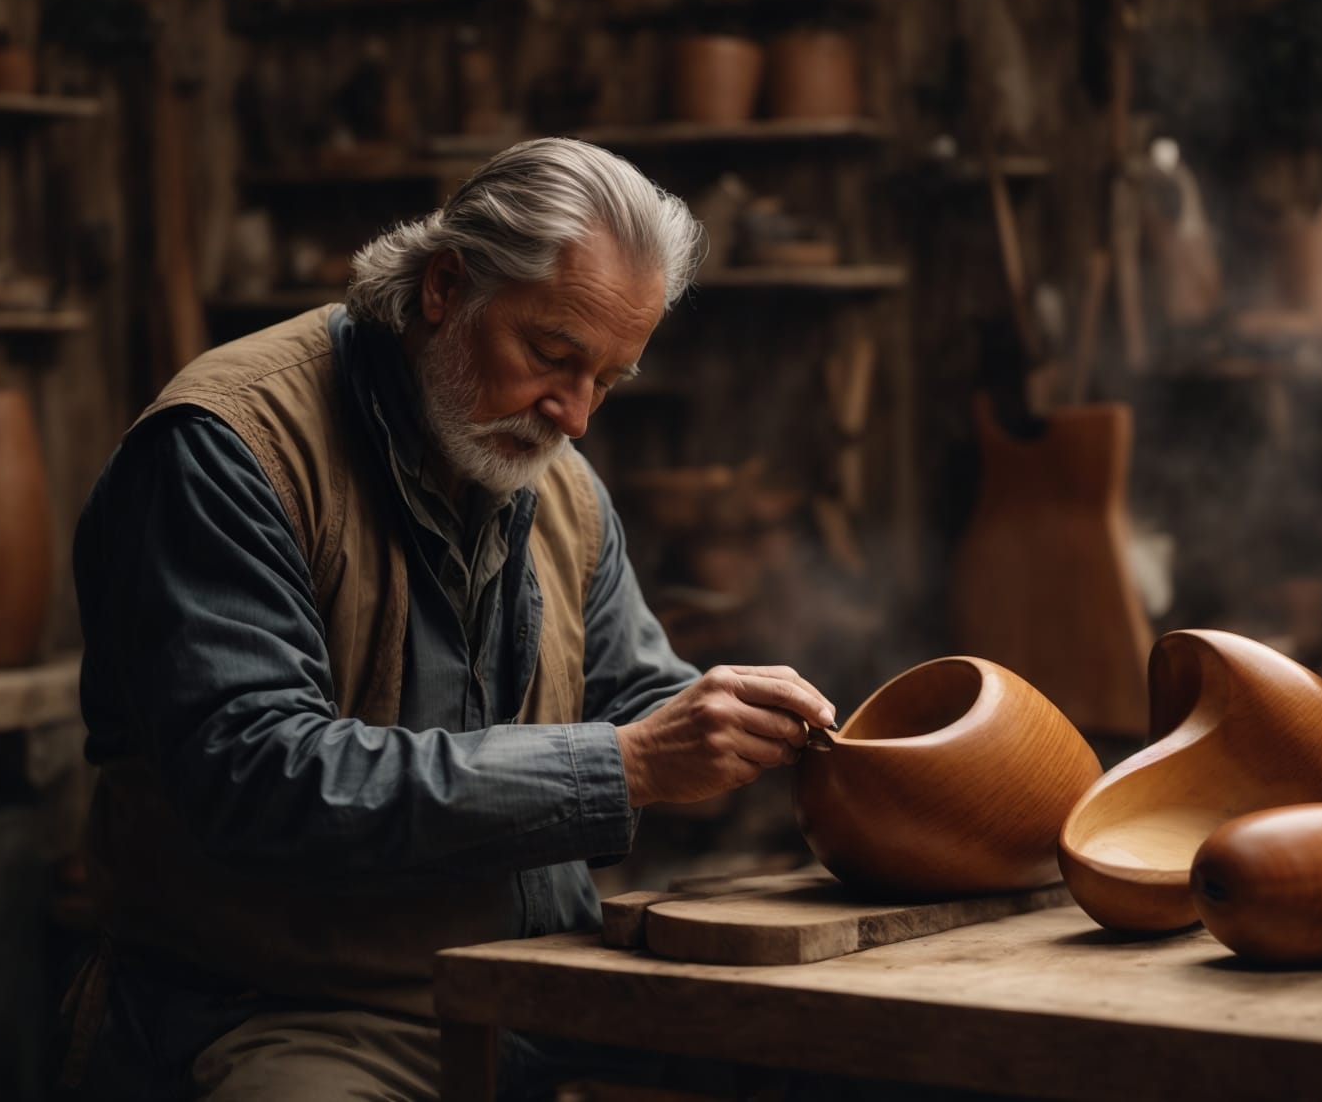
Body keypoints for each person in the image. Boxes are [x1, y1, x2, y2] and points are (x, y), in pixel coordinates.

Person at [61, 137, 837, 1100]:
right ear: (444, 288)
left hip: (541, 985)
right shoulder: (227, 450)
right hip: (292, 1007)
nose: (577, 416)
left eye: (608, 378)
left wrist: (765, 729)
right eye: (553, 356)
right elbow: (259, 774)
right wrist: (629, 763)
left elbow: (638, 695)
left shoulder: (559, 482)